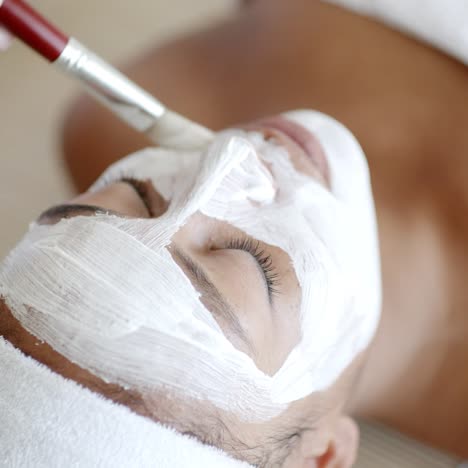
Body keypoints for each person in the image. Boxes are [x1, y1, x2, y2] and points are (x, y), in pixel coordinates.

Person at [59, 0, 468, 461]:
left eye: (131, 194)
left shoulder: (114, 120)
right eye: (244, 257)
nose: (229, 157)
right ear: (320, 456)